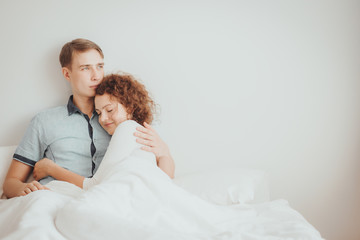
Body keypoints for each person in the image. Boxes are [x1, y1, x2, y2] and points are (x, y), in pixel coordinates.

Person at [3, 38, 173, 198]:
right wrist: (23, 189)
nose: (96, 75)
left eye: (99, 66)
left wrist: (164, 150)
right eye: (85, 68)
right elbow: (10, 183)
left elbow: (159, 177)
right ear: (67, 74)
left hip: (106, 199)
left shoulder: (120, 119)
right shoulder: (44, 121)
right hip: (55, 197)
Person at [35, 73, 175, 188]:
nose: (103, 119)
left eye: (109, 110)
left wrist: (50, 168)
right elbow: (164, 182)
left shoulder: (127, 128)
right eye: (99, 113)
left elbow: (94, 185)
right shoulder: (141, 133)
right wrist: (164, 153)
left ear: (130, 107)